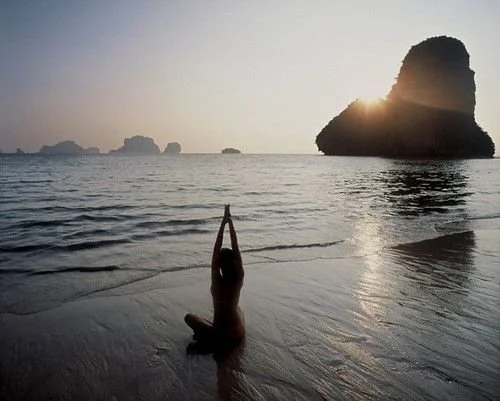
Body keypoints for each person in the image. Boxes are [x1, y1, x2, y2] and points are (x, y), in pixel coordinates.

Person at [185, 204, 245, 345]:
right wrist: (229, 222)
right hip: (237, 332)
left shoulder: (217, 280)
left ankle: (207, 335)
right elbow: (236, 248)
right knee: (239, 310)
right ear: (235, 263)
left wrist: (223, 223)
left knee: (188, 317)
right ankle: (212, 333)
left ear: (220, 264)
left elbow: (215, 251)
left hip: (220, 334)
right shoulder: (239, 277)